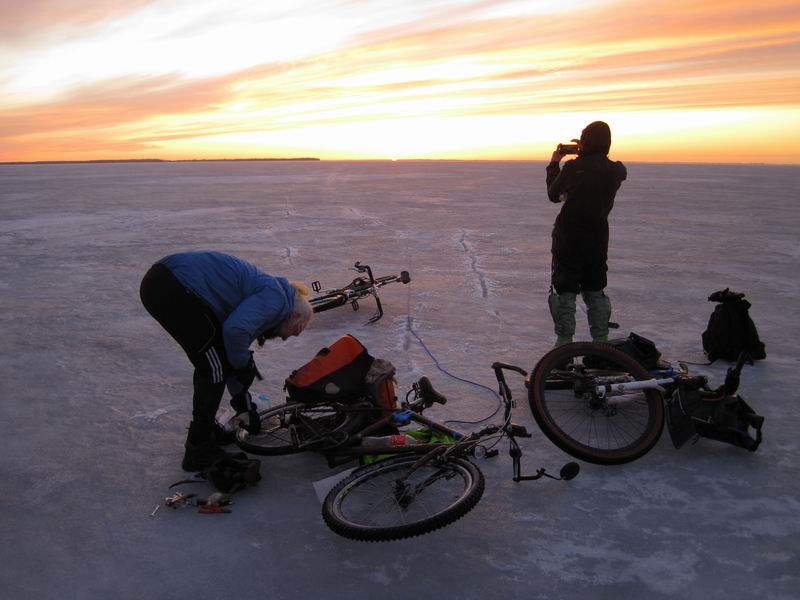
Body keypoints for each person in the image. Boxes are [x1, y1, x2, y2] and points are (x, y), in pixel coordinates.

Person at [139, 250, 313, 471]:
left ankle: (205, 434)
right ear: (294, 315)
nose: (287, 337)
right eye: (295, 331)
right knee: (212, 369)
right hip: (174, 285)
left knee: (215, 365)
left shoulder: (272, 297)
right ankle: (198, 449)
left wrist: (243, 403)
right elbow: (234, 332)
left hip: (168, 281)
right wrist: (243, 366)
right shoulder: (276, 300)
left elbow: (229, 351)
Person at [545, 121, 627, 345]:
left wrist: (554, 164)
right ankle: (601, 344)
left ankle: (564, 345)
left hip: (568, 241)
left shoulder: (573, 168)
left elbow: (553, 194)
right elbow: (613, 169)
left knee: (565, 292)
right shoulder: (615, 170)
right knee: (595, 290)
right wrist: (594, 153)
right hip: (596, 242)